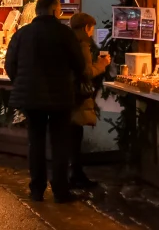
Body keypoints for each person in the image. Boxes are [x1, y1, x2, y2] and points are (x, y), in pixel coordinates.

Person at [5, 0, 86, 202]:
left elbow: (10, 64)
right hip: (60, 96)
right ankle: (60, 190)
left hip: (30, 97)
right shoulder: (64, 34)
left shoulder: (22, 34)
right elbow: (79, 64)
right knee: (60, 144)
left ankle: (36, 189)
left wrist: (21, 82)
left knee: (36, 142)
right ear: (54, 11)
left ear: (37, 11)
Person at [69, 12, 110, 190]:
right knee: (75, 136)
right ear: (86, 28)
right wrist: (102, 65)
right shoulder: (83, 44)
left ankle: (75, 174)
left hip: (67, 95)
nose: (92, 32)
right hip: (78, 97)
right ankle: (76, 175)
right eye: (91, 28)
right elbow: (86, 72)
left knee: (71, 137)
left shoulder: (67, 41)